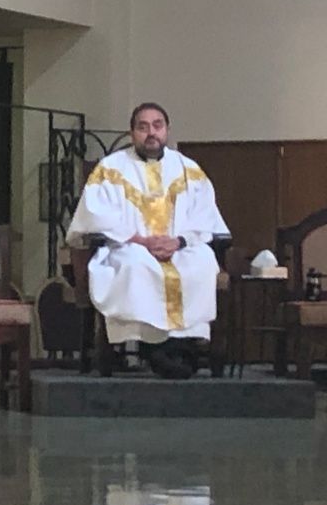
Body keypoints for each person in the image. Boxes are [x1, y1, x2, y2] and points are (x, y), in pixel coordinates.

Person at [66, 102, 227, 379]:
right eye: (142, 127)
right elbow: (95, 215)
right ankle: (153, 347)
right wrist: (140, 240)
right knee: (134, 266)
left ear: (166, 130)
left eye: (157, 126)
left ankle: (180, 345)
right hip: (128, 245)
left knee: (200, 263)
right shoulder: (110, 168)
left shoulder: (189, 170)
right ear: (132, 132)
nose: (150, 133)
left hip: (178, 246)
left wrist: (178, 241)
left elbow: (205, 217)